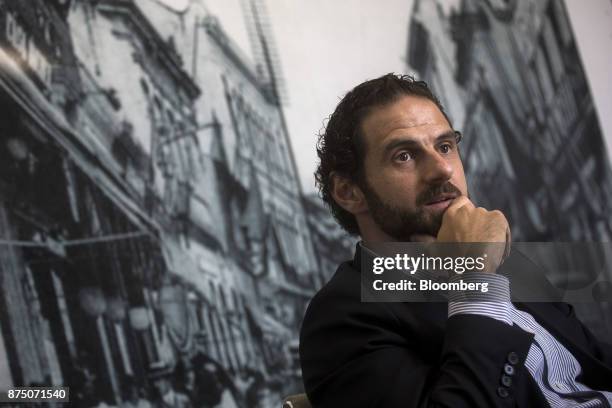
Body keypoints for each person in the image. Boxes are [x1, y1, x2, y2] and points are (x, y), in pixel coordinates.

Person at [299, 74, 612, 407]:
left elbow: (594, 361)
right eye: (403, 155)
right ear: (349, 192)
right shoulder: (340, 320)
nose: (442, 170)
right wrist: (475, 279)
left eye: (445, 146)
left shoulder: (508, 262)